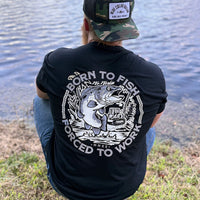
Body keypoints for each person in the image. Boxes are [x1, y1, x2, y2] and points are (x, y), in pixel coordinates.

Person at [33, 0, 167, 199]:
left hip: (66, 184)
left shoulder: (57, 61)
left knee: (41, 101)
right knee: (147, 122)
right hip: (123, 188)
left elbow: (41, 94)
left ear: (86, 24)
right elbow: (150, 124)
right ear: (127, 26)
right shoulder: (152, 74)